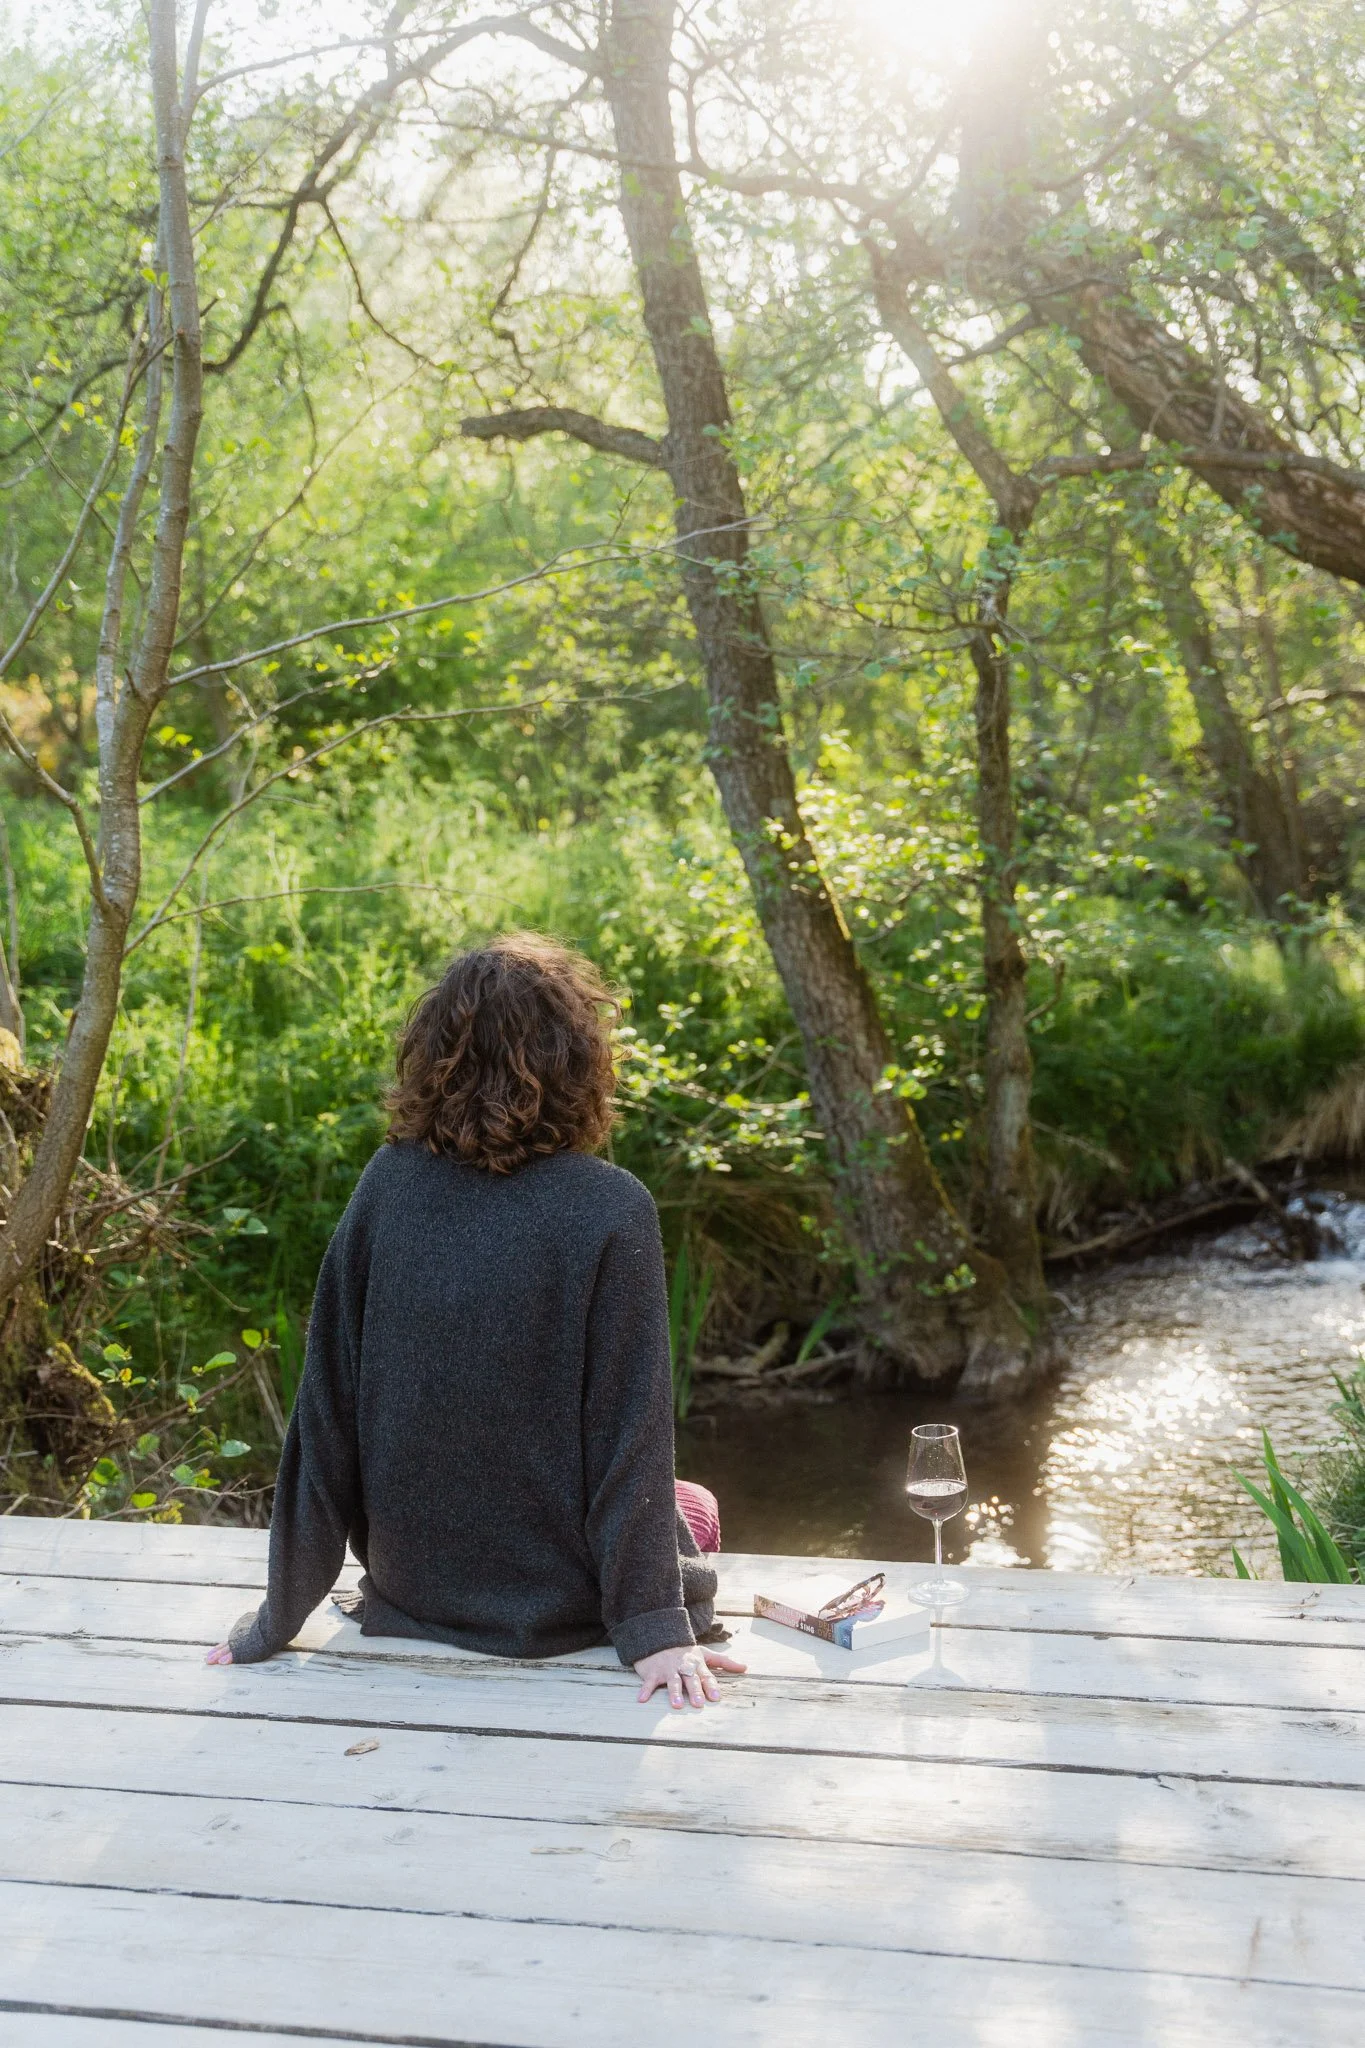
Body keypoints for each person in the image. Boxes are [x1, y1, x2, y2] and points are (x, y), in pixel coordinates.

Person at [205, 932, 745, 1711]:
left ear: (432, 1056)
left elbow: (323, 1412)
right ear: (578, 1060)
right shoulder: (612, 1206)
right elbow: (631, 1436)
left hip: (412, 1588)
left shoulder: (385, 1185)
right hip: (559, 1605)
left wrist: (278, 1615)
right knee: (692, 1503)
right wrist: (656, 1628)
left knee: (674, 1500)